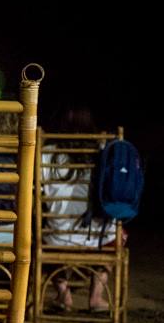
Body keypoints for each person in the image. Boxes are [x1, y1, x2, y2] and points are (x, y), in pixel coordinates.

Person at [41, 106, 114, 312]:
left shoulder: (46, 153)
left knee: (39, 237)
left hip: (58, 236)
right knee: (118, 237)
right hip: (100, 237)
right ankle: (96, 297)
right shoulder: (102, 152)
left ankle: (64, 295)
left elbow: (38, 190)